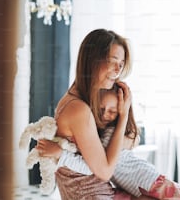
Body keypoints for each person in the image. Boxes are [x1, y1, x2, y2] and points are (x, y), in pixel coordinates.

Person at [35, 29, 154, 199]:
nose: (118, 69)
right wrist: (124, 116)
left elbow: (129, 142)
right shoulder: (78, 110)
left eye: (121, 63)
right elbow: (105, 172)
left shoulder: (76, 100)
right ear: (92, 61)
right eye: (113, 61)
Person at [54, 86, 180, 200]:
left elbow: (94, 164)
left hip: (150, 180)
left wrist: (62, 156)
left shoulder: (112, 135)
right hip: (141, 186)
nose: (105, 115)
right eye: (102, 109)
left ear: (121, 113)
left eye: (112, 111)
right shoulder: (100, 133)